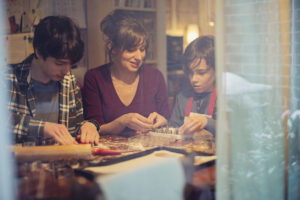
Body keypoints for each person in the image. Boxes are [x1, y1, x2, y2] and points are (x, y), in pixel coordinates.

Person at [8, 16, 100, 145]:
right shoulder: (9, 79)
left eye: (71, 65)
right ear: (39, 52)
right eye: (59, 63)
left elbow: (75, 127)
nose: (67, 71)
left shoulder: (69, 81)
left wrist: (89, 126)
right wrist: (42, 127)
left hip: (60, 162)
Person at [83, 10, 170, 136]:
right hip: (111, 153)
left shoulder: (155, 77)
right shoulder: (94, 77)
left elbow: (167, 119)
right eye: (131, 50)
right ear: (112, 48)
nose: (139, 57)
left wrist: (163, 121)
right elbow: (94, 128)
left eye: (142, 49)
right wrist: (123, 122)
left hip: (149, 151)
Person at [169, 36, 216, 136]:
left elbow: (234, 132)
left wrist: (207, 122)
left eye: (201, 73)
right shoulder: (182, 98)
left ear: (216, 70)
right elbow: (173, 129)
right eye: (190, 73)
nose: (194, 79)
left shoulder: (226, 99)